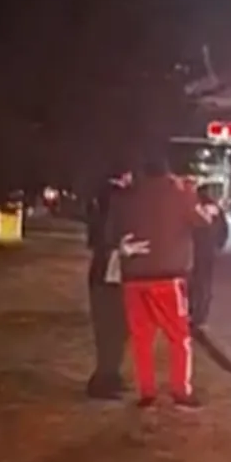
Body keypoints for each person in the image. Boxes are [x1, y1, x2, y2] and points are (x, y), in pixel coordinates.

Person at [106, 156, 210, 410]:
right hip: (168, 276)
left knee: (141, 338)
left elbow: (111, 232)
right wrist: (192, 195)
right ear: (168, 173)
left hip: (134, 277)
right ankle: (180, 390)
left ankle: (147, 391)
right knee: (179, 337)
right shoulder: (180, 196)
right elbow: (203, 222)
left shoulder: (126, 197)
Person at [84, 166, 132, 401]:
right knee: (110, 329)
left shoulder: (106, 199)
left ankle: (110, 375)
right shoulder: (113, 199)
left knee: (115, 328)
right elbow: (103, 236)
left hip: (108, 273)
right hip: (108, 273)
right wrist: (116, 247)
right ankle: (103, 379)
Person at [189, 185, 228, 328]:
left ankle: (192, 311)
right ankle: (201, 314)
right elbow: (224, 230)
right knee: (205, 282)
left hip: (194, 249)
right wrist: (218, 246)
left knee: (193, 282)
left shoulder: (194, 208)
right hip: (208, 250)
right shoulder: (216, 210)